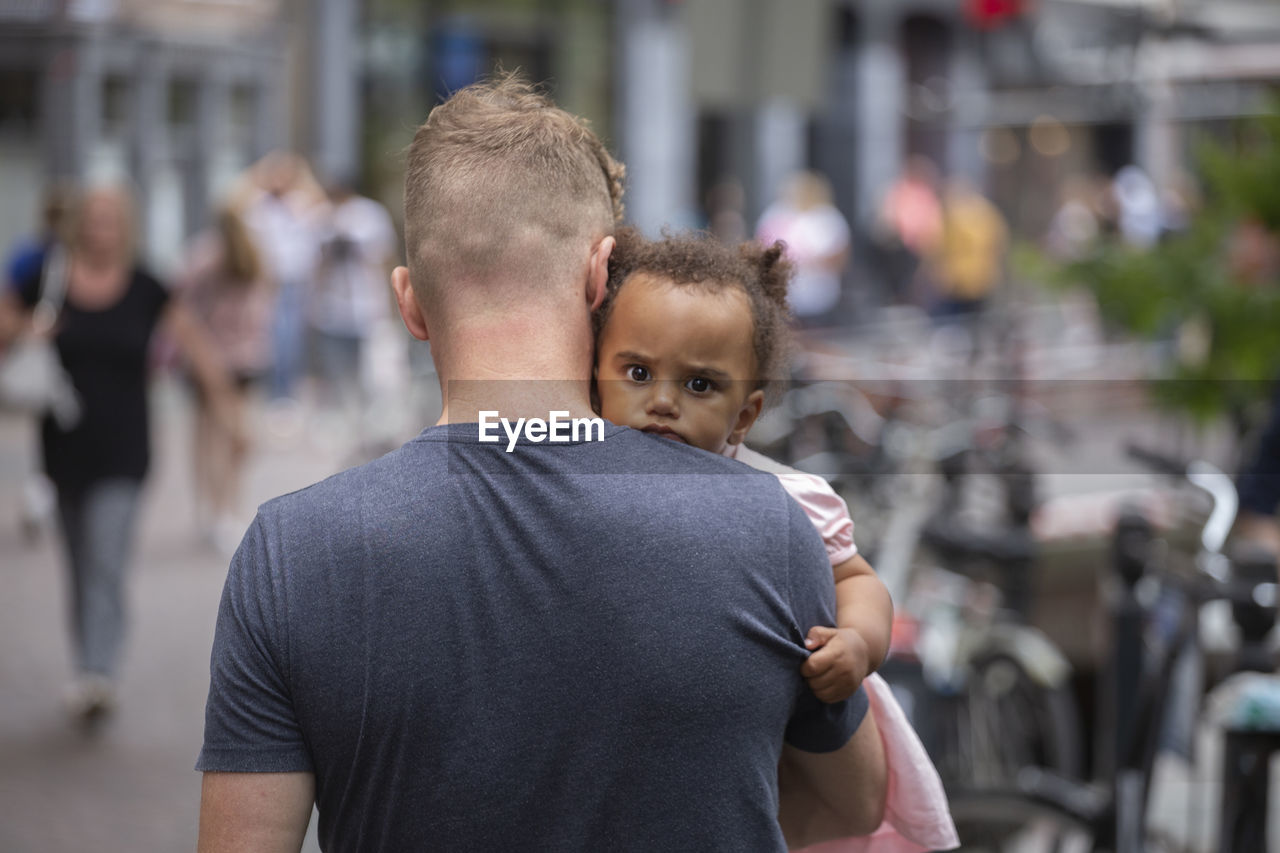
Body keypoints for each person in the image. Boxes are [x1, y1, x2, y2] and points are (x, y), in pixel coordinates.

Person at [197, 75, 888, 851]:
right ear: (601, 276)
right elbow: (858, 802)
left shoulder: (289, 553)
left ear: (410, 303)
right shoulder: (769, 526)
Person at [593, 227, 957, 851]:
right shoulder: (579, 480)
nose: (662, 401)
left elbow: (858, 580)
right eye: (637, 371)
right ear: (593, 377)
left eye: (699, 385)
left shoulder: (789, 501)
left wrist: (858, 644)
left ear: (746, 415)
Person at [0, 185, 241, 722]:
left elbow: (194, 341)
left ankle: (98, 673)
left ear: (125, 226)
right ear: (79, 224)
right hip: (62, 445)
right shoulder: (47, 277)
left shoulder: (146, 285)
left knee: (106, 557)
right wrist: (27, 329)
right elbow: (5, 321)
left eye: (111, 220)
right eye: (93, 219)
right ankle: (88, 661)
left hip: (125, 449)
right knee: (80, 561)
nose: (100, 229)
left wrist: (226, 406)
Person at [176, 205, 275, 553]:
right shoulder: (255, 254)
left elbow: (182, 306)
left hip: (214, 357)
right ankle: (223, 508)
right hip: (240, 356)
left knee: (214, 438)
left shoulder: (204, 255)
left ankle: (214, 510)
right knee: (230, 437)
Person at [306, 175, 402, 457]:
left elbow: (386, 258)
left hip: (366, 307)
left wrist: (391, 302)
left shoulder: (371, 216)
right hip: (333, 310)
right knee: (336, 372)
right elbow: (318, 263)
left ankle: (373, 427)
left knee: (372, 374)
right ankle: (341, 424)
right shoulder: (323, 218)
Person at [756, 171, 851, 326]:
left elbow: (839, 258)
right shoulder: (776, 214)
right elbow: (761, 250)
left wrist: (812, 261)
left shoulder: (827, 217)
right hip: (783, 297)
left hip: (818, 297)